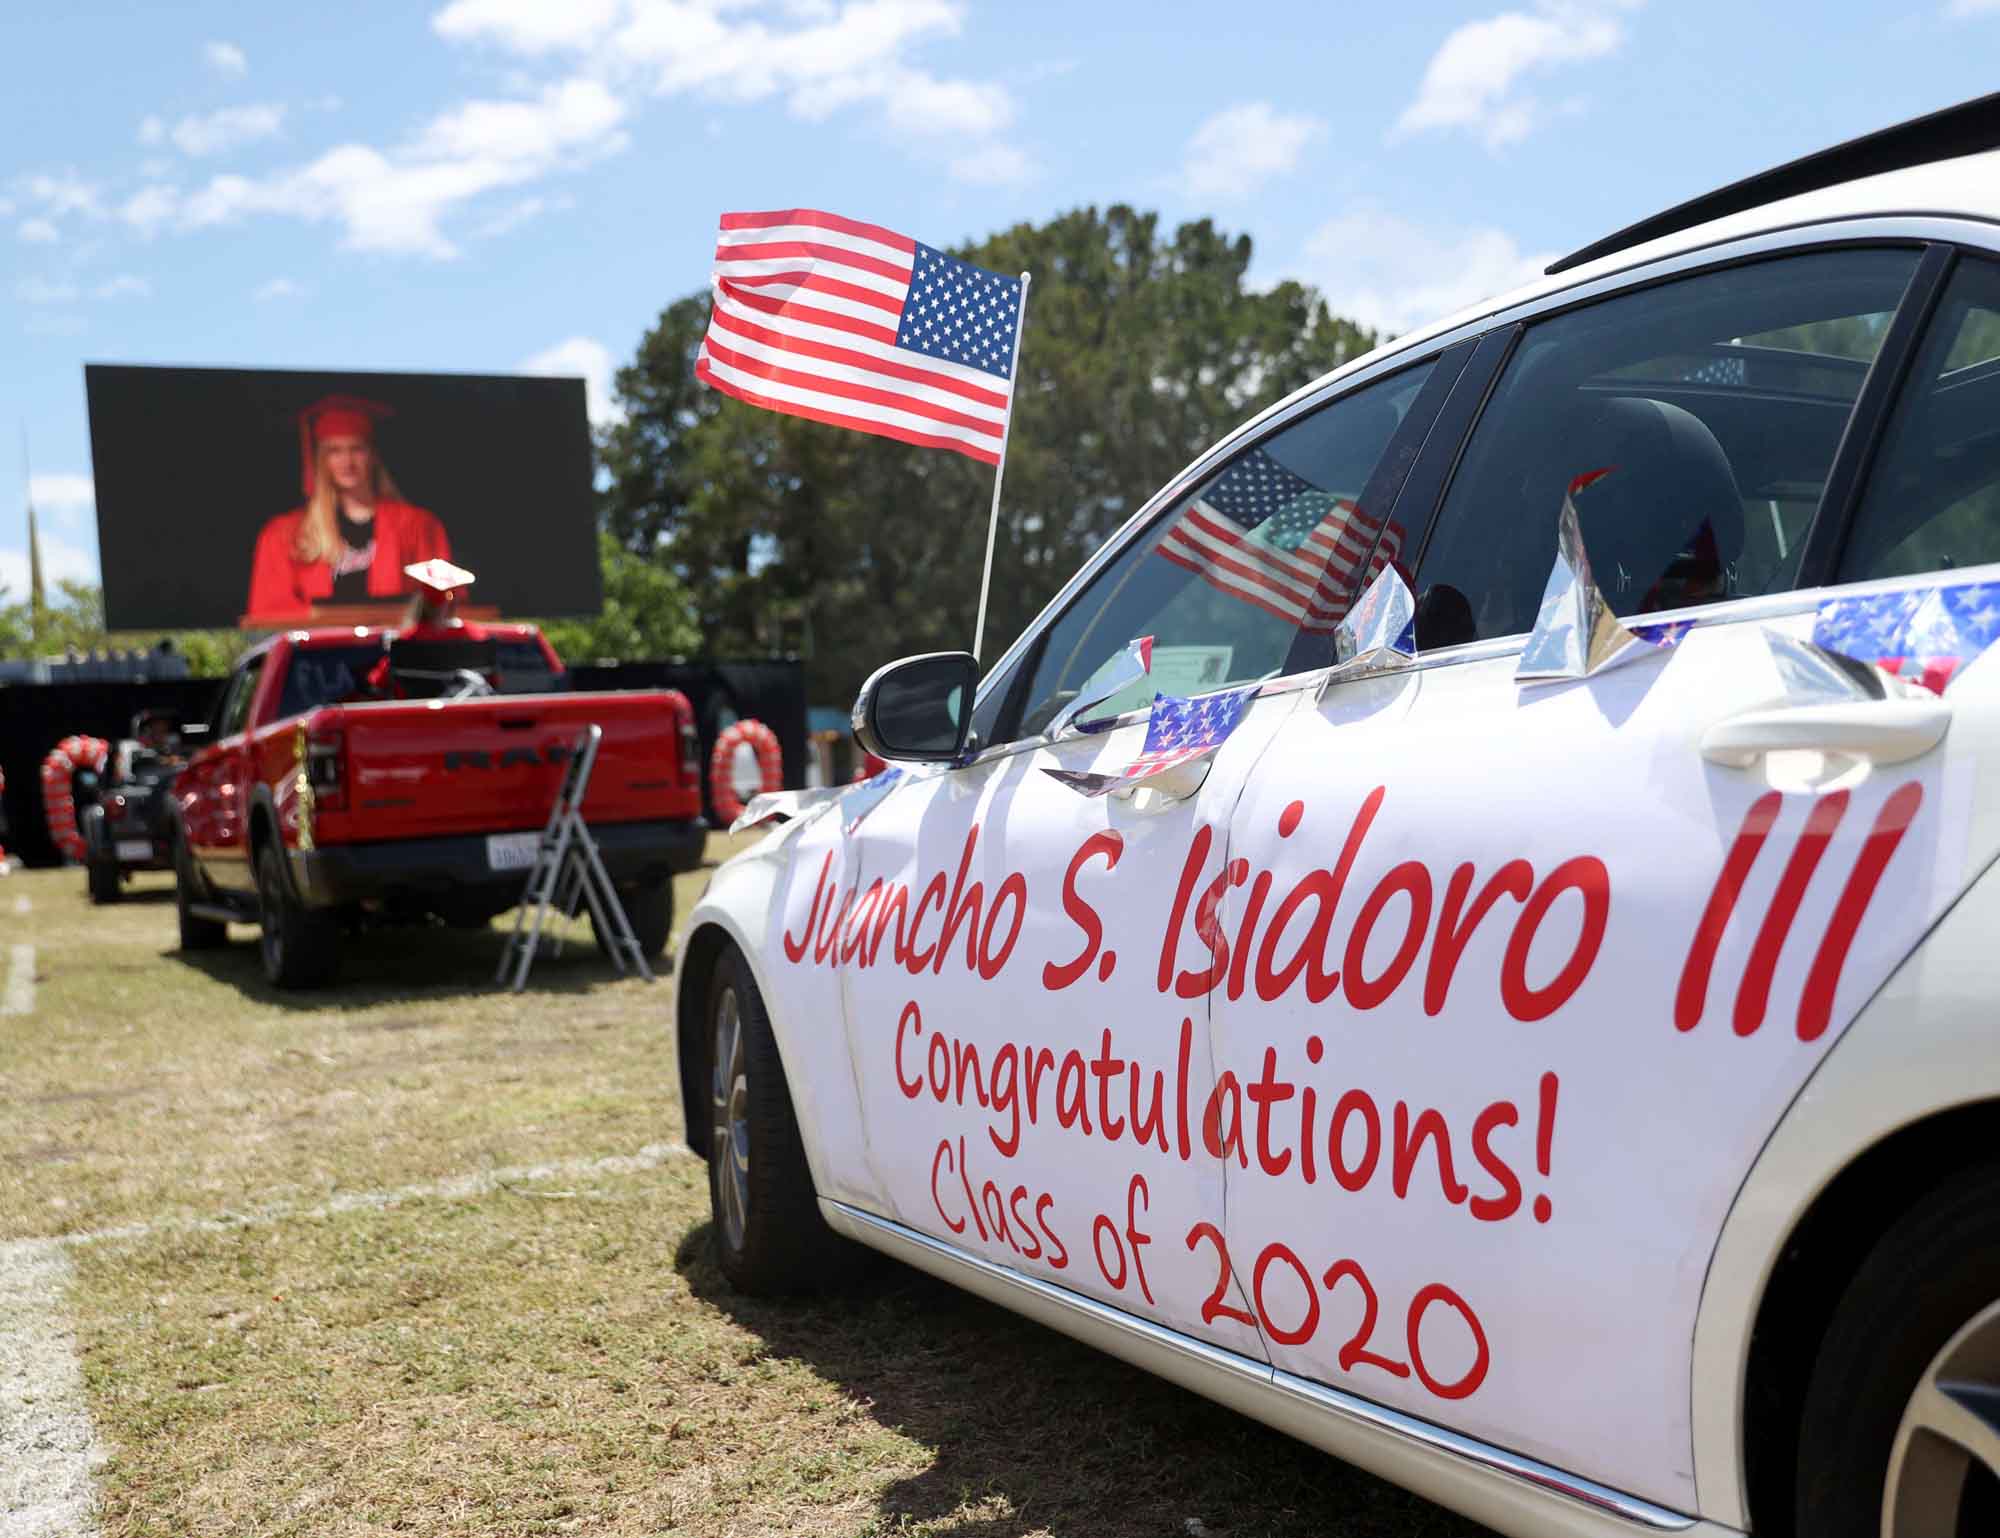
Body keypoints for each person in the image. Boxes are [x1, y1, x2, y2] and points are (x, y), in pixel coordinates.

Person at [244, 395, 451, 623]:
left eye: (357, 449)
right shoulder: (285, 533)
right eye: (335, 451)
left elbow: (443, 602)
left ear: (372, 455)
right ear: (321, 459)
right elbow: (268, 612)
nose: (347, 462)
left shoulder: (417, 526)